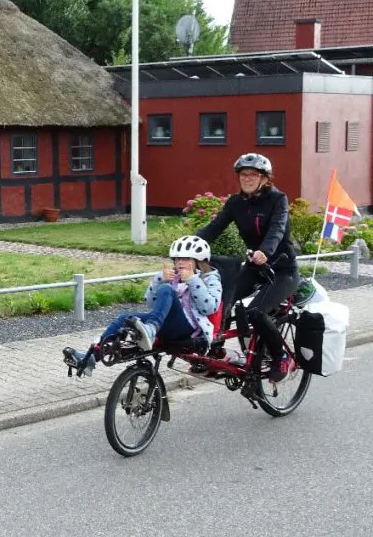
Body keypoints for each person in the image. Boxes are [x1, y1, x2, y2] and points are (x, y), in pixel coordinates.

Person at [195, 153, 299, 382]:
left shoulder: (278, 199)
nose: (248, 178)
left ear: (265, 178)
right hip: (255, 266)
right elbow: (214, 228)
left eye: (254, 174)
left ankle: (280, 356)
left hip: (282, 269)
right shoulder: (235, 202)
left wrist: (266, 251)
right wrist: (189, 246)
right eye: (244, 174)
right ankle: (216, 350)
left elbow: (277, 228)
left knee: (256, 311)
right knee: (221, 299)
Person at [64, 236, 222, 376]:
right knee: (125, 318)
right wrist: (159, 279)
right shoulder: (172, 277)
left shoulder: (210, 279)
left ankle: (151, 329)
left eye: (186, 258)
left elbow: (210, 308)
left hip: (189, 330)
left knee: (167, 290)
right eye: (177, 258)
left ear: (198, 262)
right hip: (166, 325)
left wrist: (193, 280)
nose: (180, 262)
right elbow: (151, 302)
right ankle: (91, 357)